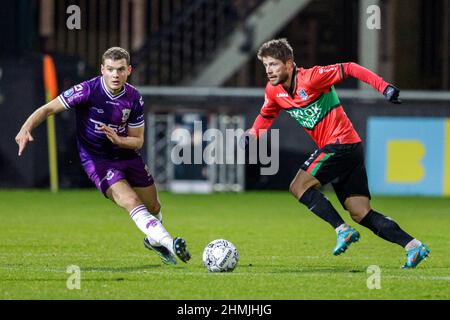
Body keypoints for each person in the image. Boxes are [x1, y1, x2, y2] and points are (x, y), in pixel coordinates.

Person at [241, 38, 429, 268]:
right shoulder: (273, 91)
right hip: (349, 150)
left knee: (298, 186)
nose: (269, 71)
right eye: (266, 65)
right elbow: (266, 115)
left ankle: (342, 231)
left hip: (341, 145)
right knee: (361, 213)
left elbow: (350, 67)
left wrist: (384, 87)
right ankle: (413, 246)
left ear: (289, 64)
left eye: (274, 64)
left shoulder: (312, 78)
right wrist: (252, 134)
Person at [15, 47, 191, 265]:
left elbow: (138, 140)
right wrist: (25, 128)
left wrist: (119, 140)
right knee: (130, 201)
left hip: (127, 155)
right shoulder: (86, 90)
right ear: (102, 70)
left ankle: (153, 241)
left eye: (119, 70)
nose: (115, 75)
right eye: (110, 69)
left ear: (129, 70)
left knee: (153, 206)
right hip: (97, 160)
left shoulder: (134, 97)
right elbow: (47, 109)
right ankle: (169, 243)